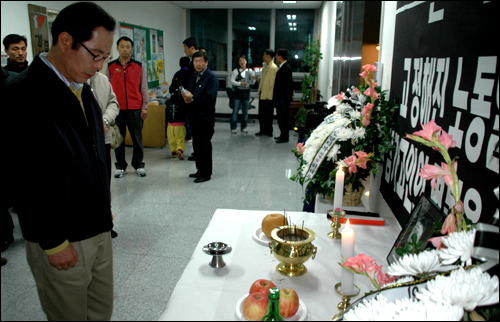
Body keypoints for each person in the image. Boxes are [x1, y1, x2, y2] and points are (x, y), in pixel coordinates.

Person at [3, 2, 115, 320]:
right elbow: (22, 176)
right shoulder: (23, 94)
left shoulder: (83, 88)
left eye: (104, 58)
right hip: (63, 241)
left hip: (97, 228)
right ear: (66, 41)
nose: (99, 66)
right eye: (96, 55)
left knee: (99, 312)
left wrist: (103, 205)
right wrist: (53, 241)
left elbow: (94, 155)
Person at [106, 36, 148, 178]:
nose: (125, 49)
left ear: (132, 49)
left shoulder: (138, 66)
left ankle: (138, 165)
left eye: (128, 46)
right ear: (117, 48)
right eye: (122, 46)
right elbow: (106, 89)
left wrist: (145, 106)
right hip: (117, 109)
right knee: (118, 139)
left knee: (137, 139)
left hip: (136, 108)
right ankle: (120, 166)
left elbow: (143, 88)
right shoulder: (110, 67)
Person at [88, 71, 120, 238]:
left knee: (103, 181)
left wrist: (105, 120)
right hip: (82, 142)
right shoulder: (70, 79)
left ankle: (106, 223)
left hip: (103, 140)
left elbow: (113, 103)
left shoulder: (102, 79)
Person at [181, 51, 219, 183]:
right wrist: (187, 98)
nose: (198, 64)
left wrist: (193, 98)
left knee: (204, 147)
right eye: (195, 61)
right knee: (197, 146)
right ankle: (199, 170)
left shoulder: (211, 78)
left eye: (200, 61)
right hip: (194, 116)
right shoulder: (193, 76)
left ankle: (206, 173)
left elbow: (209, 99)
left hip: (205, 118)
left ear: (206, 62)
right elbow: (190, 94)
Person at [167, 57, 190, 160]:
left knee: (171, 132)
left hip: (173, 110)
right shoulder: (189, 74)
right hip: (184, 101)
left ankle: (173, 151)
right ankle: (182, 145)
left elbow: (171, 88)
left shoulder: (177, 74)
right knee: (184, 124)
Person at [182, 37, 199, 160]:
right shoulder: (191, 61)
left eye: (185, 48)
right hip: (190, 97)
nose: (184, 51)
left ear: (191, 48)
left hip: (195, 99)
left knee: (197, 129)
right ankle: (196, 152)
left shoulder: (195, 62)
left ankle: (198, 153)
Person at [255, 49, 278, 137]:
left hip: (268, 96)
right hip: (262, 93)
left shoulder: (273, 68)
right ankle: (262, 130)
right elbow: (263, 77)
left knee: (268, 115)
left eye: (264, 55)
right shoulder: (265, 66)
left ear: (268, 56)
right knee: (261, 114)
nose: (263, 56)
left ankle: (269, 131)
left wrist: (269, 96)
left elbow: (272, 83)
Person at [273, 48, 294, 143]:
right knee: (281, 118)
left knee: (283, 118)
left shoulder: (286, 68)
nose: (276, 58)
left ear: (280, 56)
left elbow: (288, 86)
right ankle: (282, 134)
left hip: (283, 99)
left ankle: (285, 137)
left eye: (277, 56)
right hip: (280, 98)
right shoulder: (282, 67)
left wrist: (285, 99)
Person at [230, 55, 252, 133]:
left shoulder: (249, 70)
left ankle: (244, 127)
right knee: (235, 110)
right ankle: (233, 127)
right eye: (240, 61)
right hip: (238, 94)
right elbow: (232, 81)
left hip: (246, 93)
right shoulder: (236, 70)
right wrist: (240, 83)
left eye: (243, 60)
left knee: (245, 111)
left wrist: (250, 82)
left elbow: (251, 82)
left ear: (246, 61)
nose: (242, 62)